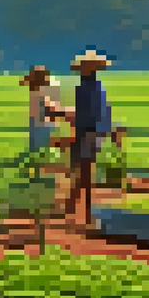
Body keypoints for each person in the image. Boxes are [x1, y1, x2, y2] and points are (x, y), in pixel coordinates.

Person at [66, 49, 114, 224]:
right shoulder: (98, 86)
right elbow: (104, 111)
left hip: (87, 132)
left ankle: (84, 211)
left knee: (83, 172)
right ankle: (74, 207)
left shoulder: (85, 88)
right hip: (94, 132)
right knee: (84, 171)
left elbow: (85, 114)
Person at [19, 65, 66, 154]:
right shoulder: (39, 94)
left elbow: (48, 110)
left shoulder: (37, 93)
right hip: (41, 124)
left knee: (39, 148)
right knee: (43, 148)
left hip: (39, 123)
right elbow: (49, 110)